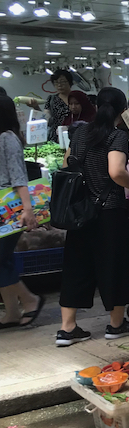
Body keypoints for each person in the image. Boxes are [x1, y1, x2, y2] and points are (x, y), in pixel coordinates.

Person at [56, 87, 129, 346]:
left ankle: (67, 328)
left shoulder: (81, 132)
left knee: (76, 267)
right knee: (114, 266)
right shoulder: (117, 136)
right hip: (109, 211)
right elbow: (116, 171)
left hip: (79, 213)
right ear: (123, 110)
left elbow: (67, 165)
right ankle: (116, 325)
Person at [0, 94, 44, 328]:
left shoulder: (8, 138)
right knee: (3, 261)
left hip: (11, 209)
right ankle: (12, 312)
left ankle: (29, 300)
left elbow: (18, 175)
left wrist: (28, 209)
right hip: (3, 209)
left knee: (0, 259)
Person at [17, 69, 75, 141]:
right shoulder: (51, 99)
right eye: (56, 82)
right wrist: (35, 107)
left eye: (62, 82)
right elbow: (46, 119)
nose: (59, 85)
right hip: (57, 137)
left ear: (70, 82)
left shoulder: (79, 98)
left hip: (76, 134)